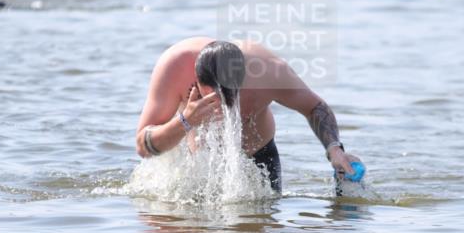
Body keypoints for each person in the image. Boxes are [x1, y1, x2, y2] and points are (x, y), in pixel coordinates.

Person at [134, 38, 363, 193]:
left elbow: (315, 108)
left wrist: (335, 150)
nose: (223, 108)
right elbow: (143, 146)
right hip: (197, 163)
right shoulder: (174, 67)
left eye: (230, 97)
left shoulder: (270, 71)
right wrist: (185, 121)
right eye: (214, 98)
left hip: (259, 159)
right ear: (196, 78)